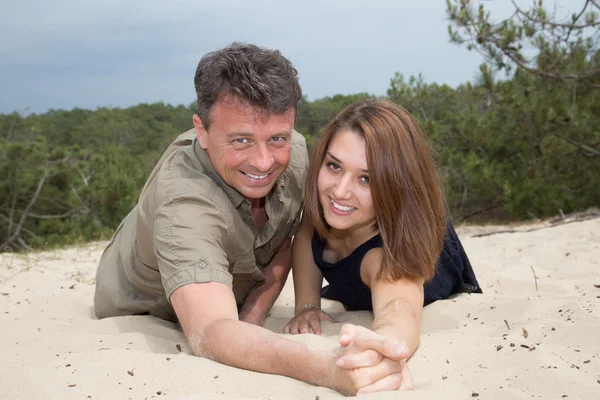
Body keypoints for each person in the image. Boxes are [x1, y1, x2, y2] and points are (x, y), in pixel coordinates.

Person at [93, 43, 406, 396]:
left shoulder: (296, 155)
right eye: (241, 140)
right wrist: (324, 367)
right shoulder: (183, 204)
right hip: (142, 304)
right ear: (201, 131)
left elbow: (285, 240)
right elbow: (210, 330)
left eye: (277, 138)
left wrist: (254, 318)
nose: (263, 162)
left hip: (231, 283)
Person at [283, 99, 482, 392]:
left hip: (415, 263)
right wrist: (307, 306)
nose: (340, 191)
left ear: (395, 185)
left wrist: (384, 343)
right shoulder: (323, 208)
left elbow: (397, 307)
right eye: (334, 166)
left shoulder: (382, 256)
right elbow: (304, 237)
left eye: (366, 179)